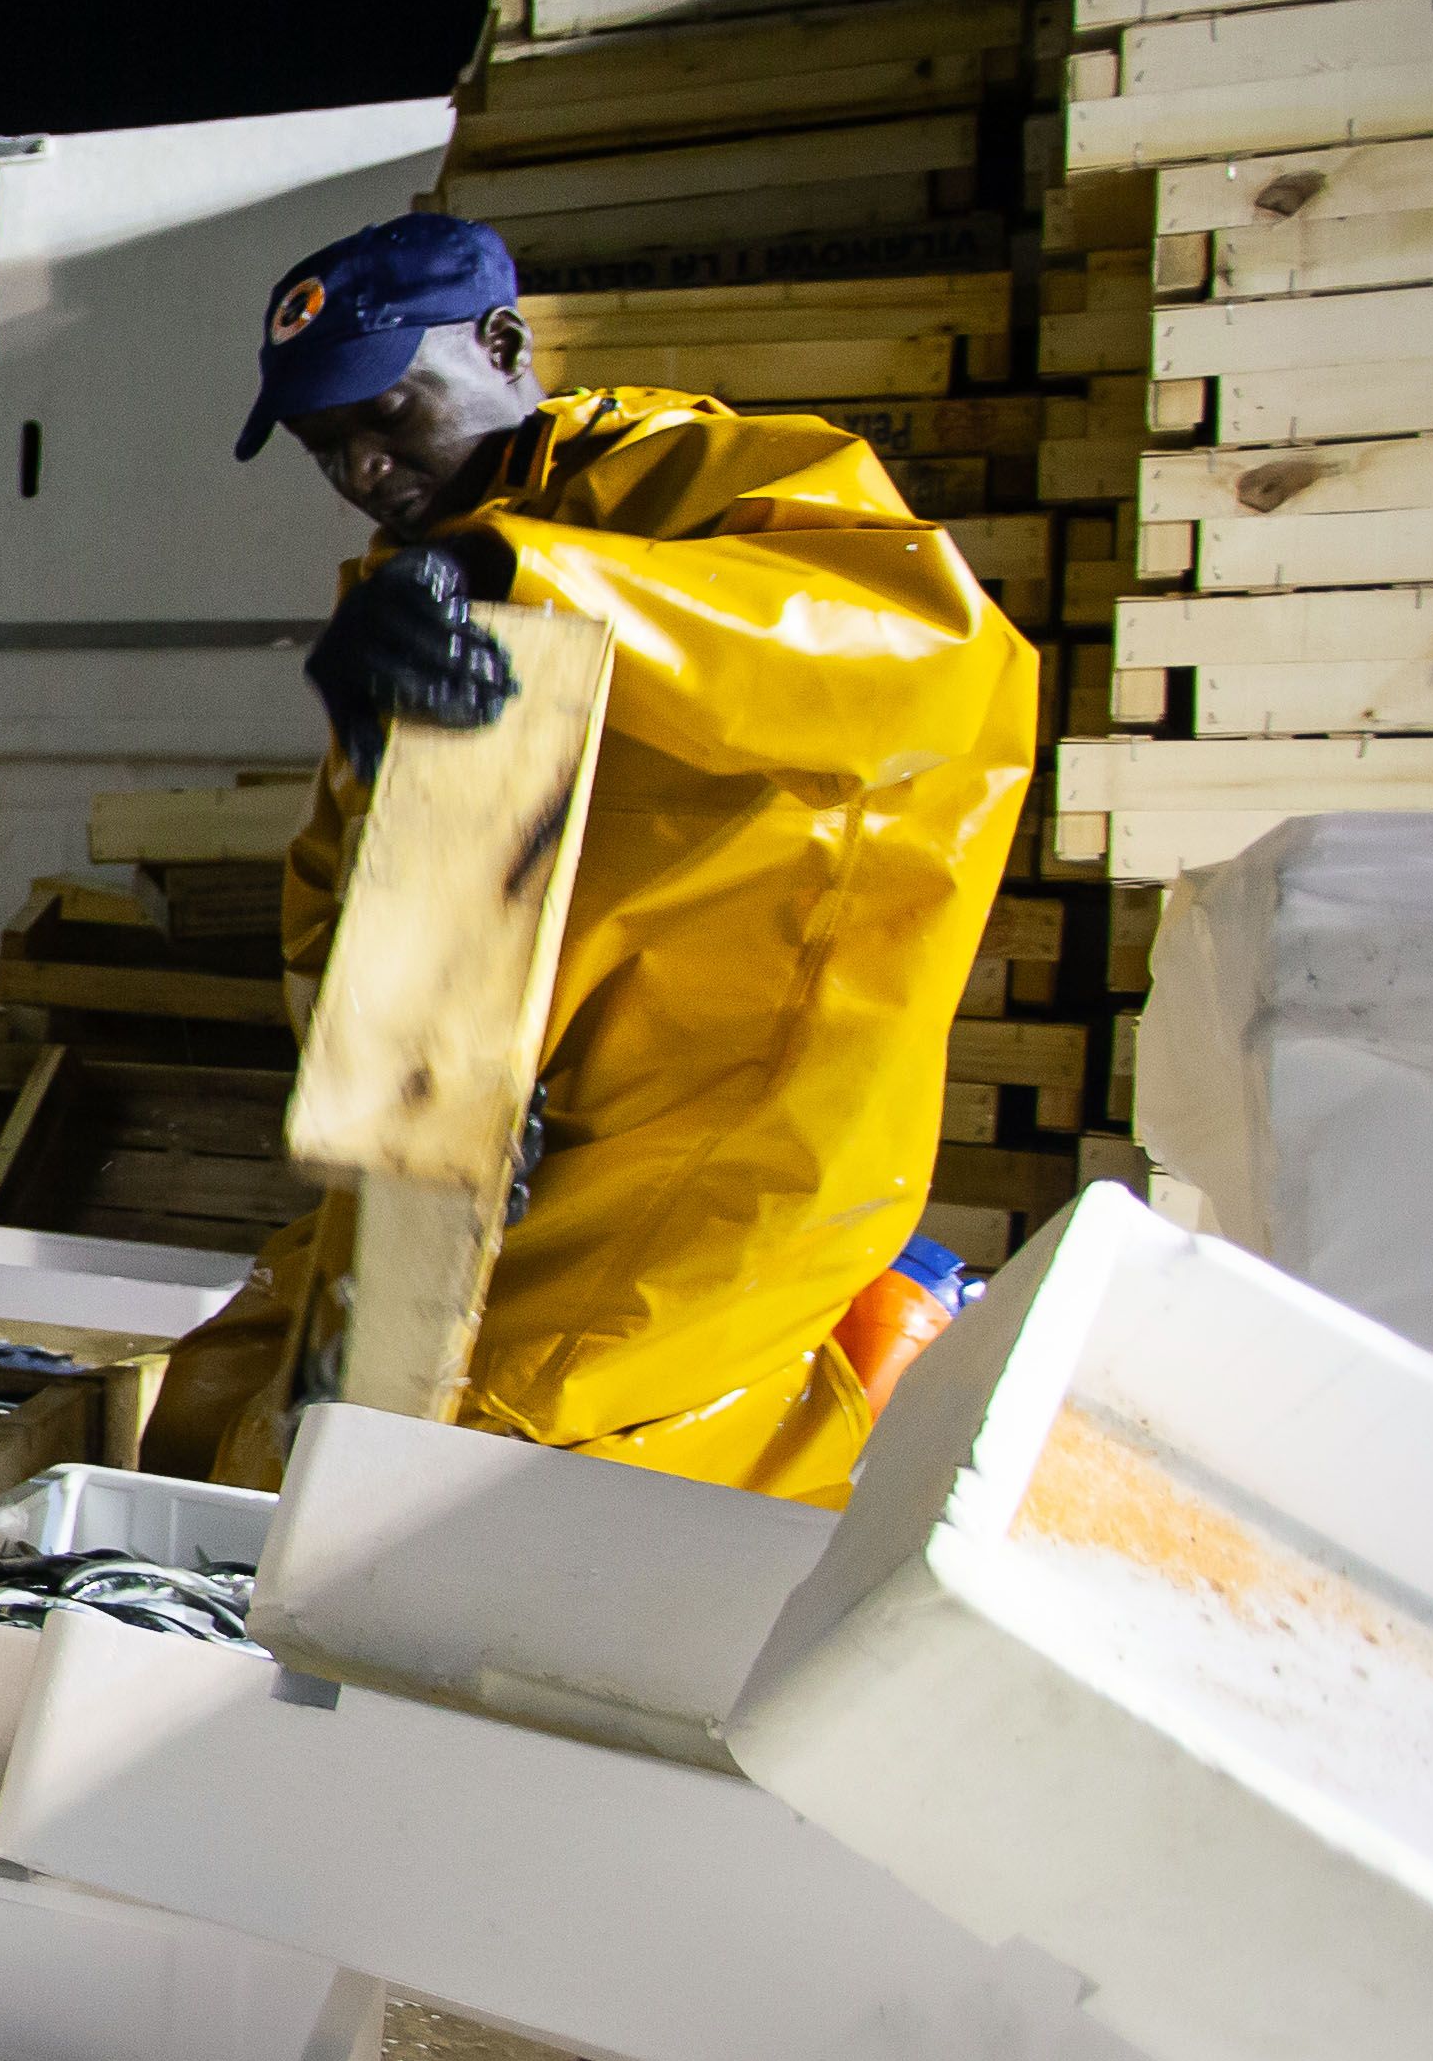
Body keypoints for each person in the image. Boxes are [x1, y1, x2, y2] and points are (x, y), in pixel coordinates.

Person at [142, 210, 1035, 1499]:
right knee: (236, 1410)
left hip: (718, 1139)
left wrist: (525, 577)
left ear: (503, 344)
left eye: (388, 415)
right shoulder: (413, 582)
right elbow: (344, 890)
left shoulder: (716, 485)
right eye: (325, 447)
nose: (365, 470)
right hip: (515, 1142)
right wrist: (396, 1060)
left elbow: (932, 667)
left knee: (480, 1481)